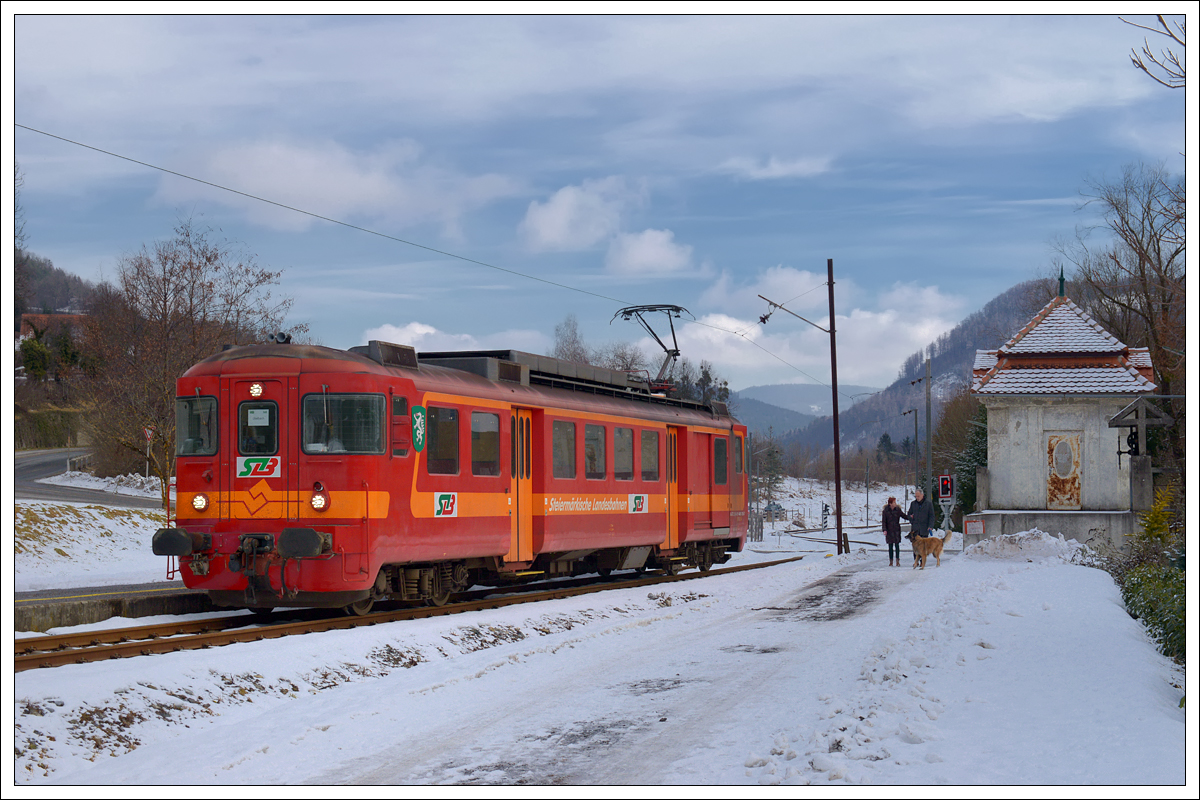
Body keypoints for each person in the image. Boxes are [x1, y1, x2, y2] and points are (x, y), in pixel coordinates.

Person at [905, 488, 935, 563]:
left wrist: (930, 526)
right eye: (916, 496)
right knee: (915, 545)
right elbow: (909, 514)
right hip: (915, 529)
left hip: (924, 528)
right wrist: (911, 520)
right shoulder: (913, 504)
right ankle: (916, 561)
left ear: (922, 495)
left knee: (924, 546)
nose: (917, 498)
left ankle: (922, 561)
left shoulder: (928, 504)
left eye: (918, 496)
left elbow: (932, 516)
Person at [882, 496, 905, 567]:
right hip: (889, 530)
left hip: (896, 530)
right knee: (890, 546)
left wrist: (910, 517)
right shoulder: (885, 511)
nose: (895, 503)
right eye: (894, 502)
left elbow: (903, 515)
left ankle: (897, 560)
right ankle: (891, 561)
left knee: (897, 545)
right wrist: (884, 529)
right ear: (890, 504)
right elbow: (884, 521)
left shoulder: (898, 510)